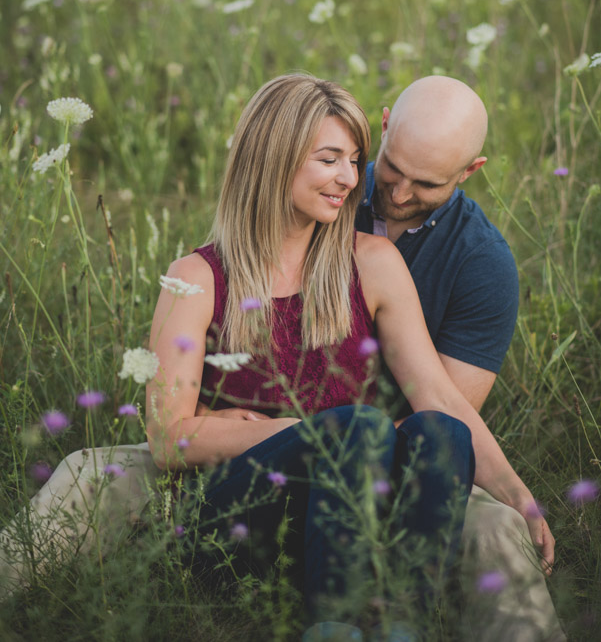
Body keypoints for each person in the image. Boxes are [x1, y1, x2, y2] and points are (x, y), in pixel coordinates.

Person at [0, 75, 555, 640]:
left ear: (468, 172)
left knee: (442, 434)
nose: (353, 179)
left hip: (358, 479)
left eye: (352, 160)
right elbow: (168, 437)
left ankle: (398, 627)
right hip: (245, 499)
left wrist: (514, 491)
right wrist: (299, 430)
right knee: (350, 429)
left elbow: (438, 396)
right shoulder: (196, 277)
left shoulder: (383, 261)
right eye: (335, 159)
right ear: (275, 158)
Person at [355, 76, 566, 642]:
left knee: (498, 529)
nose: (398, 193)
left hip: (401, 459)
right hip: (263, 431)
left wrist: (517, 494)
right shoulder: (325, 191)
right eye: (393, 167)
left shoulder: (482, 263)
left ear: (471, 170)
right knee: (95, 473)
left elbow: (442, 415)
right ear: (383, 124)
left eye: (427, 183)